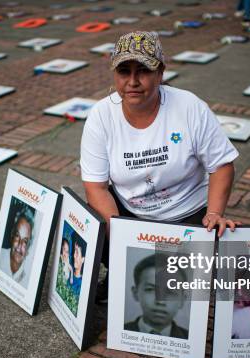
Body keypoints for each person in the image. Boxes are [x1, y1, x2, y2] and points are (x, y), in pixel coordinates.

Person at [80, 31, 240, 302]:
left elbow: (222, 164)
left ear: (160, 73)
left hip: (187, 213)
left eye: (143, 70)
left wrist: (213, 214)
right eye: (124, 71)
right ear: (114, 74)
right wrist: (121, 237)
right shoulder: (101, 116)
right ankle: (121, 272)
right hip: (130, 212)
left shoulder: (189, 107)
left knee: (178, 286)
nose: (132, 81)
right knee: (92, 221)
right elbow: (95, 186)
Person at [124, 254, 189, 339]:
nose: (160, 301)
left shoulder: (190, 339)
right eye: (150, 289)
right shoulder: (119, 332)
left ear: (182, 300)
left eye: (171, 292)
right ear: (135, 293)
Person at [0, 206, 34, 288]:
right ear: (12, 235)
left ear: (28, 247)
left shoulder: (29, 278)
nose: (20, 245)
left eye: (25, 241)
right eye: (17, 236)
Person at [68, 234, 86, 300]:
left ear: (83, 259)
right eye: (74, 251)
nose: (74, 256)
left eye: (77, 253)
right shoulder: (69, 272)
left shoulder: (81, 285)